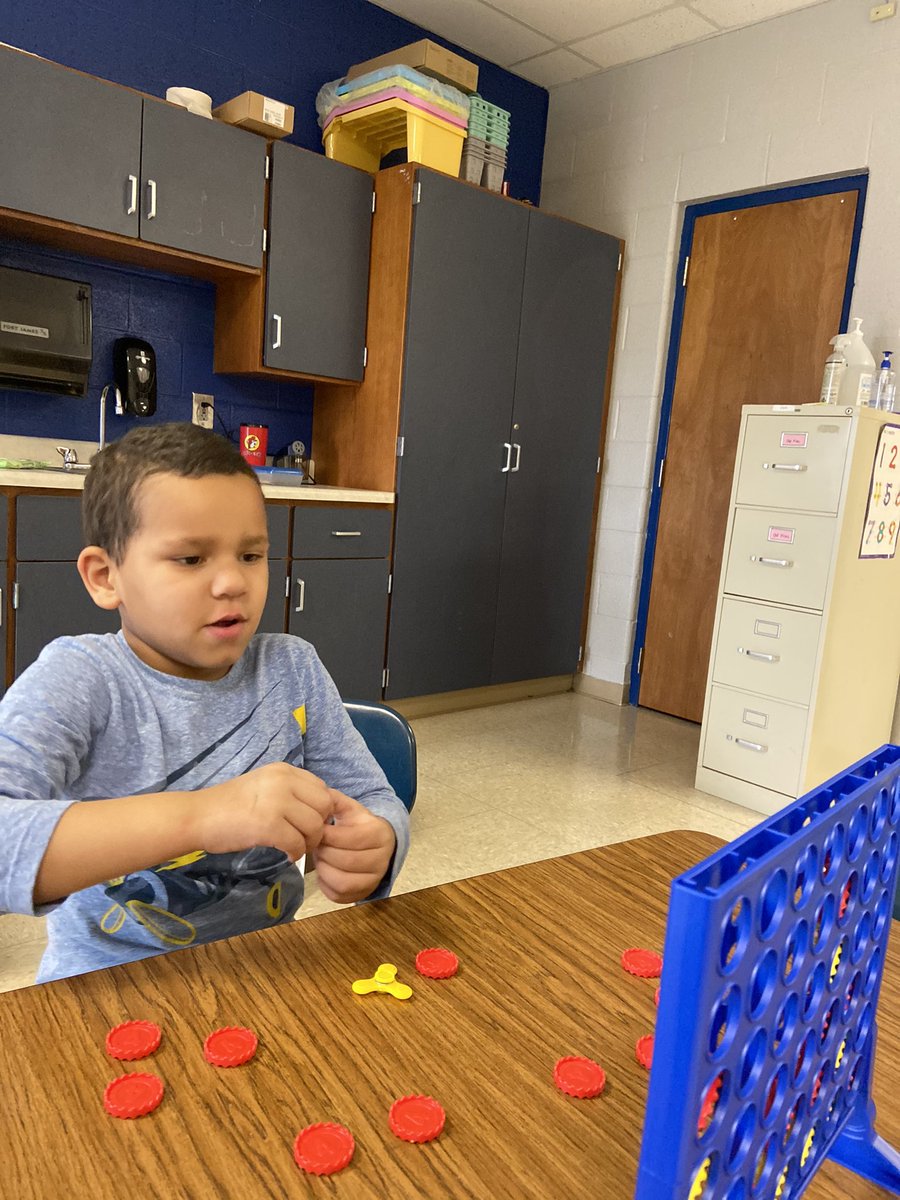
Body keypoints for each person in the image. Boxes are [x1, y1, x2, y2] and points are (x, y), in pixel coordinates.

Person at [0, 423, 409, 982]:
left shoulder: (292, 668)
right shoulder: (82, 678)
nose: (231, 583)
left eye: (250, 555)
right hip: (106, 989)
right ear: (105, 577)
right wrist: (206, 815)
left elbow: (371, 798)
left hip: (269, 973)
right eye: (191, 559)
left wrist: (379, 841)